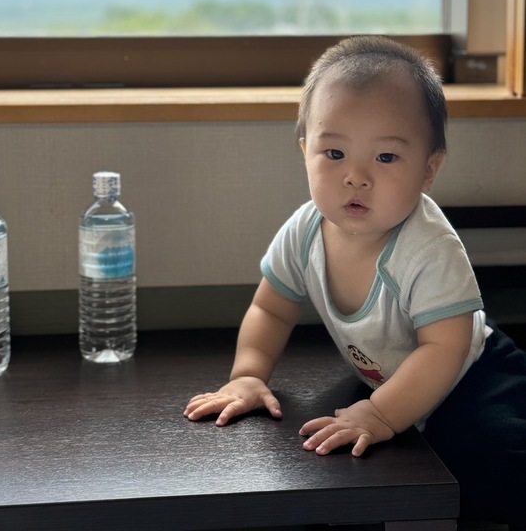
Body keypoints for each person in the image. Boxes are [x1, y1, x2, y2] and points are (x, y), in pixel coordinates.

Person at [184, 35, 526, 529]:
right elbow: (271, 309)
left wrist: (383, 415)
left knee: (495, 455)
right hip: (383, 372)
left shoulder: (429, 248)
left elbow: (444, 349)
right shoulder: (305, 231)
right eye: (335, 153)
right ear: (305, 152)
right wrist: (250, 374)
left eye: (386, 158)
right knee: (327, 464)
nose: (356, 177)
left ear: (429, 170)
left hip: (469, 372)